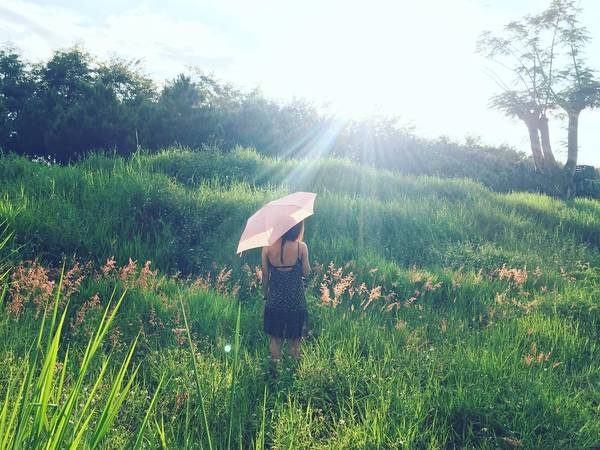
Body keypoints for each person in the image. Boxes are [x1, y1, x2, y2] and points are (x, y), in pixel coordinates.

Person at [261, 220, 310, 371]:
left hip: (275, 301)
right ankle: (294, 373)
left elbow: (265, 275)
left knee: (275, 339)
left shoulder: (267, 248)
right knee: (295, 340)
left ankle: (275, 373)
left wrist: (265, 296)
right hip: (295, 302)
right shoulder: (301, 247)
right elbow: (306, 272)